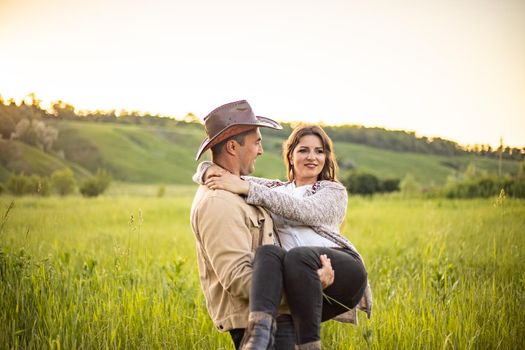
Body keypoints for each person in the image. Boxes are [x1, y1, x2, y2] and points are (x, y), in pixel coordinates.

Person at [195, 125, 373, 349]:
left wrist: (248, 188)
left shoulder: (333, 191)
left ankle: (310, 344)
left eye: (319, 151)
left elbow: (303, 210)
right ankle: (259, 333)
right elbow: (225, 173)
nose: (312, 157)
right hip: (303, 275)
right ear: (290, 155)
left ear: (327, 158)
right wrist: (205, 171)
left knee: (297, 256)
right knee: (268, 253)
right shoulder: (276, 189)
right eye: (303, 150)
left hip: (341, 269)